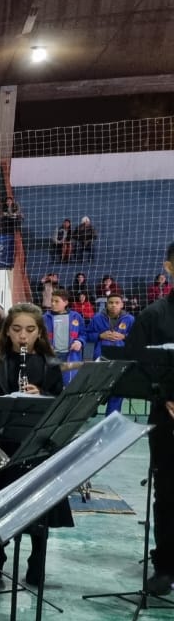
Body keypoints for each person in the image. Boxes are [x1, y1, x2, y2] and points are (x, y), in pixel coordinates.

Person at [0, 305, 67, 587]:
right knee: (1, 505)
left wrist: (41, 395)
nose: (23, 336)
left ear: (40, 333)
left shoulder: (50, 364)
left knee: (39, 507)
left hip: (38, 446)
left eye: (30, 330)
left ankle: (37, 561)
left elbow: (61, 404)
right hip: (2, 446)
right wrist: (7, 401)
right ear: (7, 331)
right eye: (17, 329)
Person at [128, 241, 174, 596]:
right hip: (168, 419)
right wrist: (164, 396)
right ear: (169, 268)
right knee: (169, 494)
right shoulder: (153, 317)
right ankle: (166, 566)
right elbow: (137, 370)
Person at [87, 292, 134, 415]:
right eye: (111, 303)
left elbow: (136, 337)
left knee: (117, 388)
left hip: (120, 359)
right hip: (101, 358)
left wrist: (124, 336)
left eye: (117, 303)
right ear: (106, 304)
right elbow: (87, 335)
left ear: (122, 304)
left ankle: (111, 417)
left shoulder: (130, 319)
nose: (113, 305)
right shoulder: (97, 318)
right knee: (96, 387)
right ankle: (90, 410)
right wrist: (99, 335)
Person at [44, 289, 84, 384]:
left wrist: (79, 341)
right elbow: (39, 336)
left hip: (70, 355)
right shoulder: (45, 318)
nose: (53, 303)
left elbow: (84, 334)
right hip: (52, 355)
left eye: (56, 301)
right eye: (52, 301)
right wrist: (45, 345)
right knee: (52, 383)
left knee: (69, 383)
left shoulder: (76, 317)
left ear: (65, 302)